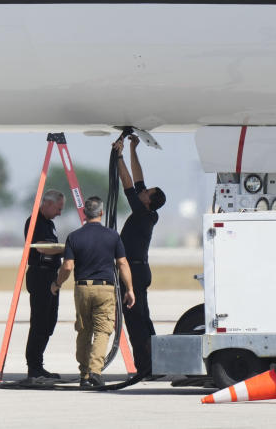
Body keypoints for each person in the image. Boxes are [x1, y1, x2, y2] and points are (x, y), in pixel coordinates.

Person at [52, 196, 134, 389]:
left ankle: (84, 373)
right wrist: (129, 289)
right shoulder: (112, 236)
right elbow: (122, 263)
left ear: (84, 214)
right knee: (103, 330)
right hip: (105, 288)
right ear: (101, 213)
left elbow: (68, 266)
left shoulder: (74, 237)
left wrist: (57, 283)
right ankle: (96, 372)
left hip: (81, 288)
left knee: (83, 330)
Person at [115, 133, 166, 376]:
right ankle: (154, 363)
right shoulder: (149, 212)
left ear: (148, 201)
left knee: (135, 321)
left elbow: (127, 183)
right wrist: (134, 149)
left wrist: (119, 156)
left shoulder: (142, 212)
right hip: (141, 269)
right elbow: (138, 180)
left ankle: (145, 367)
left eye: (147, 192)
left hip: (133, 271)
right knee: (144, 319)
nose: (142, 191)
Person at [23, 189, 65, 380]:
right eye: (58, 208)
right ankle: (34, 367)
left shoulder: (49, 224)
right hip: (40, 275)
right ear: (47, 203)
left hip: (51, 276)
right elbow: (41, 246)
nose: (60, 212)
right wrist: (67, 248)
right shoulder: (35, 222)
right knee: (39, 322)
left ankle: (38, 364)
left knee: (49, 322)